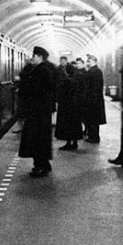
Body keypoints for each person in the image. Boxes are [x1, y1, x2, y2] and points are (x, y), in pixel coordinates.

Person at [18, 46, 56, 177]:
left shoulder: (41, 71)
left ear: (40, 56)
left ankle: (40, 165)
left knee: (37, 139)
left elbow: (35, 91)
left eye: (34, 55)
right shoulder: (45, 69)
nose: (32, 58)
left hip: (37, 111)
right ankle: (44, 164)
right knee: (42, 138)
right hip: (42, 110)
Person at [55, 64, 83, 150]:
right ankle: (74, 142)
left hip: (67, 106)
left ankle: (68, 143)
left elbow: (62, 93)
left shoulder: (66, 81)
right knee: (74, 124)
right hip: (75, 106)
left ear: (67, 71)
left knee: (67, 125)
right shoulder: (77, 79)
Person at [84, 54, 106, 143]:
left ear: (95, 61)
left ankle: (94, 137)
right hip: (93, 99)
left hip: (94, 100)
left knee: (94, 119)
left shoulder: (96, 71)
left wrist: (93, 98)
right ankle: (92, 136)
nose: (88, 62)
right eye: (88, 61)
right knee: (92, 119)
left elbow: (95, 87)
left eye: (90, 61)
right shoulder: (94, 71)